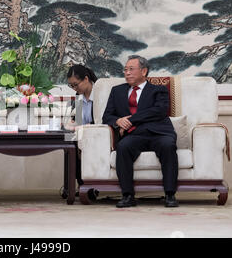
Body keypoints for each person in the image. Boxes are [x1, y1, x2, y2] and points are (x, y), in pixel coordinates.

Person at [102, 55, 179, 208]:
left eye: (131, 69)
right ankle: (128, 195)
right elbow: (107, 116)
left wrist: (131, 120)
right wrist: (118, 121)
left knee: (168, 146)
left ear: (144, 71)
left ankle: (170, 194)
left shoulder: (158, 90)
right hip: (135, 136)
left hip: (159, 133)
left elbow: (159, 111)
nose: (127, 73)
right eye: (125, 70)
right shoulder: (117, 91)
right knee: (123, 147)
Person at [65, 64, 98, 197]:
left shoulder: (101, 94)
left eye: (75, 84)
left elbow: (103, 119)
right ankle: (78, 184)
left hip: (99, 134)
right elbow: (76, 121)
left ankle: (89, 185)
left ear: (86, 79)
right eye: (71, 86)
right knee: (68, 142)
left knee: (76, 142)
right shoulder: (78, 98)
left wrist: (82, 129)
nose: (74, 88)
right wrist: (71, 124)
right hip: (82, 134)